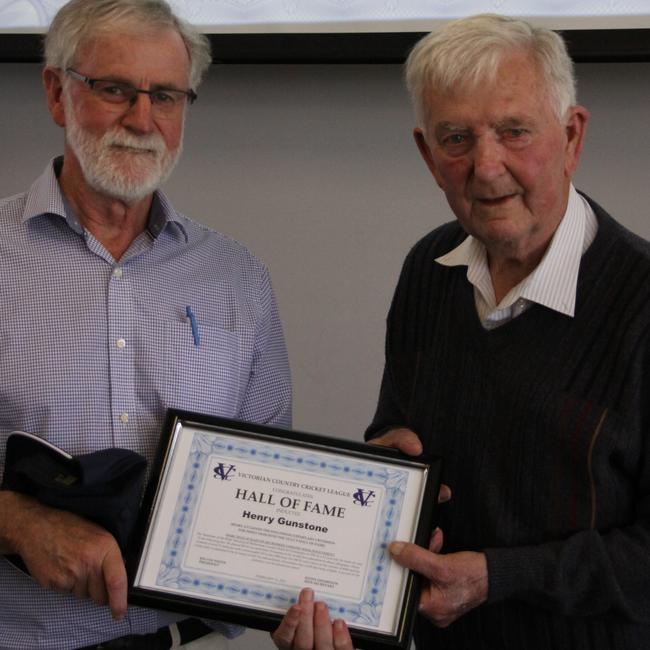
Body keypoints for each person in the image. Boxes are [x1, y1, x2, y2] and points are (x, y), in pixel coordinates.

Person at [272, 13, 650, 650]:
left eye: (514, 131)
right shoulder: (429, 269)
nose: (487, 165)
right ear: (427, 154)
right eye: (456, 138)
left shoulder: (640, 303)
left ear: (571, 135)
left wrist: (498, 577)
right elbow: (398, 440)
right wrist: (387, 475)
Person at [0, 1, 291, 648]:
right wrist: (16, 522)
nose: (142, 119)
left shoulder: (235, 277)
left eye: (165, 95)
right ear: (57, 92)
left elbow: (268, 479)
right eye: (114, 90)